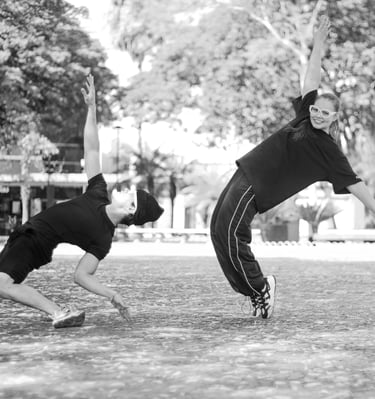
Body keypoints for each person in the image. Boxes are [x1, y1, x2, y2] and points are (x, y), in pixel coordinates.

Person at [210, 16, 375, 319]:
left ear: (335, 116)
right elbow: (311, 78)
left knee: (232, 234)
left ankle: (260, 288)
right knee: (217, 231)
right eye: (315, 109)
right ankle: (256, 291)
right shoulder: (304, 115)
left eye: (325, 113)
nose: (317, 115)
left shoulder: (329, 151)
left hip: (257, 187)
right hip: (245, 170)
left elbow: (355, 183)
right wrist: (319, 45)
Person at [0, 75, 164, 328]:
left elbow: (82, 275)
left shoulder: (103, 237)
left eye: (128, 192)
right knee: (3, 285)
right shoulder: (97, 191)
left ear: (131, 208)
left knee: (3, 285)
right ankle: (60, 311)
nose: (121, 188)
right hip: (27, 237)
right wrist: (92, 109)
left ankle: (59, 311)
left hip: (34, 241)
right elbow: (92, 150)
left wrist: (112, 295)